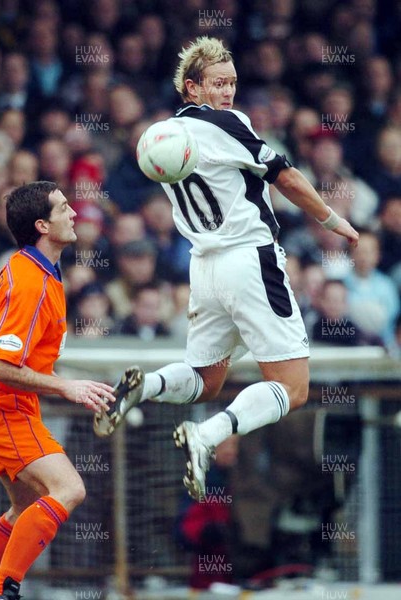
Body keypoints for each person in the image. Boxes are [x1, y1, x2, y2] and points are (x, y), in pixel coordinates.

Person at [93, 37, 359, 500]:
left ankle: (141, 388)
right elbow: (287, 176)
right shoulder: (226, 123)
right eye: (219, 83)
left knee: (207, 379)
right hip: (250, 259)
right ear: (191, 88)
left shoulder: (164, 136)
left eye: (233, 82)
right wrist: (333, 220)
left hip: (205, 267)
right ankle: (208, 436)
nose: (229, 92)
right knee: (293, 388)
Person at [0, 181, 116, 600]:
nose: (75, 214)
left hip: (8, 404)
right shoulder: (28, 281)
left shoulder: (40, 271)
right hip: (2, 405)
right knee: (70, 489)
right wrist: (66, 387)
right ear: (43, 225)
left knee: (24, 508)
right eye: (65, 208)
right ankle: (1, 591)